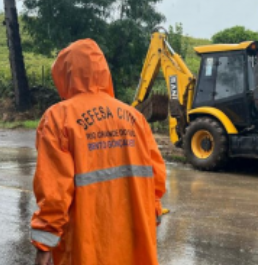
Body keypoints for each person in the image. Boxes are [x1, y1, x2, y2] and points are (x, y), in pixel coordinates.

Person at [30, 39, 166, 265]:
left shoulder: (59, 118)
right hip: (134, 244)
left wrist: (43, 249)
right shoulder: (134, 118)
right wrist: (149, 219)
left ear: (66, 75)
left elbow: (54, 192)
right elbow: (156, 178)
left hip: (86, 247)